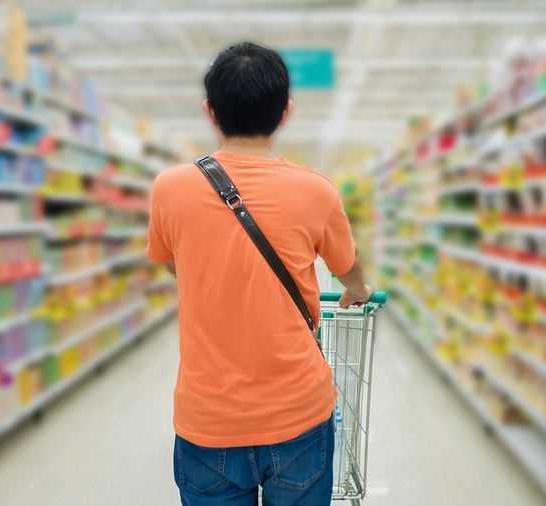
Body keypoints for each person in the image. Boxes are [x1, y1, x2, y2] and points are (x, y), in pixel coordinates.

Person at [146, 41, 372, 506]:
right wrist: (357, 289)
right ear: (285, 112)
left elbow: (176, 266)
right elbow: (347, 268)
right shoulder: (316, 192)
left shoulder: (168, 189)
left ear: (210, 111)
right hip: (298, 415)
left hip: (208, 419)